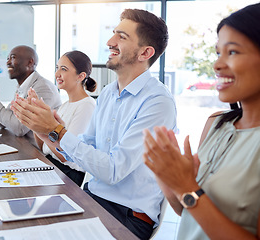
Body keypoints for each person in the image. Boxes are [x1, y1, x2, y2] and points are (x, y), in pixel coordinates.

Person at [10, 9, 177, 240]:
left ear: (145, 52)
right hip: (91, 197)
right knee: (19, 221)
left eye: (122, 37)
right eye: (114, 34)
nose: (110, 42)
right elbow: (78, 154)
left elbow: (113, 170)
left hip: (126, 215)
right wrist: (46, 130)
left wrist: (57, 131)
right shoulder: (108, 93)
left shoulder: (158, 103)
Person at [143, 3, 260, 239]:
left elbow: (191, 194)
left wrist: (186, 186)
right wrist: (169, 176)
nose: (217, 64)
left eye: (233, 52)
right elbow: (186, 208)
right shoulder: (216, 124)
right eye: (218, 52)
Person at [0, 45, 61, 137]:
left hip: (41, 153)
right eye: (7, 59)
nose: (8, 62)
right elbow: (6, 122)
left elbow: (19, 128)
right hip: (26, 147)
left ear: (30, 62)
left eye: (13, 58)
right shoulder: (23, 87)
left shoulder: (43, 88)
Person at [33, 50, 97, 186]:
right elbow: (44, 146)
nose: (57, 74)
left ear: (81, 76)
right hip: (53, 167)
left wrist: (44, 126)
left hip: (69, 176)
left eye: (64, 69)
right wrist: (33, 117)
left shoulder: (87, 105)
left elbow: (65, 156)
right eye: (57, 68)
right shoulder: (65, 105)